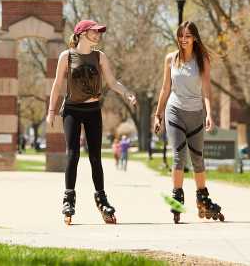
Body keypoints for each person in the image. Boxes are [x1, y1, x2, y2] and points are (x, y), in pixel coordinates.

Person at [47, 19, 137, 225]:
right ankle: (68, 199)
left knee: (95, 157)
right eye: (93, 32)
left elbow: (112, 82)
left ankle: (102, 199)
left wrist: (128, 94)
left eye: (99, 32)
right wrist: (51, 110)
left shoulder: (100, 56)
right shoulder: (66, 56)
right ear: (80, 33)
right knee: (73, 154)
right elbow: (57, 84)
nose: (98, 35)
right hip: (71, 110)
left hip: (93, 109)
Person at [153, 21, 225, 223]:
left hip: (196, 114)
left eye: (188, 36)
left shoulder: (202, 60)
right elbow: (165, 89)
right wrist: (158, 115)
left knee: (197, 158)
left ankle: (202, 197)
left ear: (194, 38)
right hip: (174, 111)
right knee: (179, 155)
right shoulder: (170, 59)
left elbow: (207, 91)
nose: (183, 40)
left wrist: (210, 114)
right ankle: (177, 195)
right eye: (181, 36)